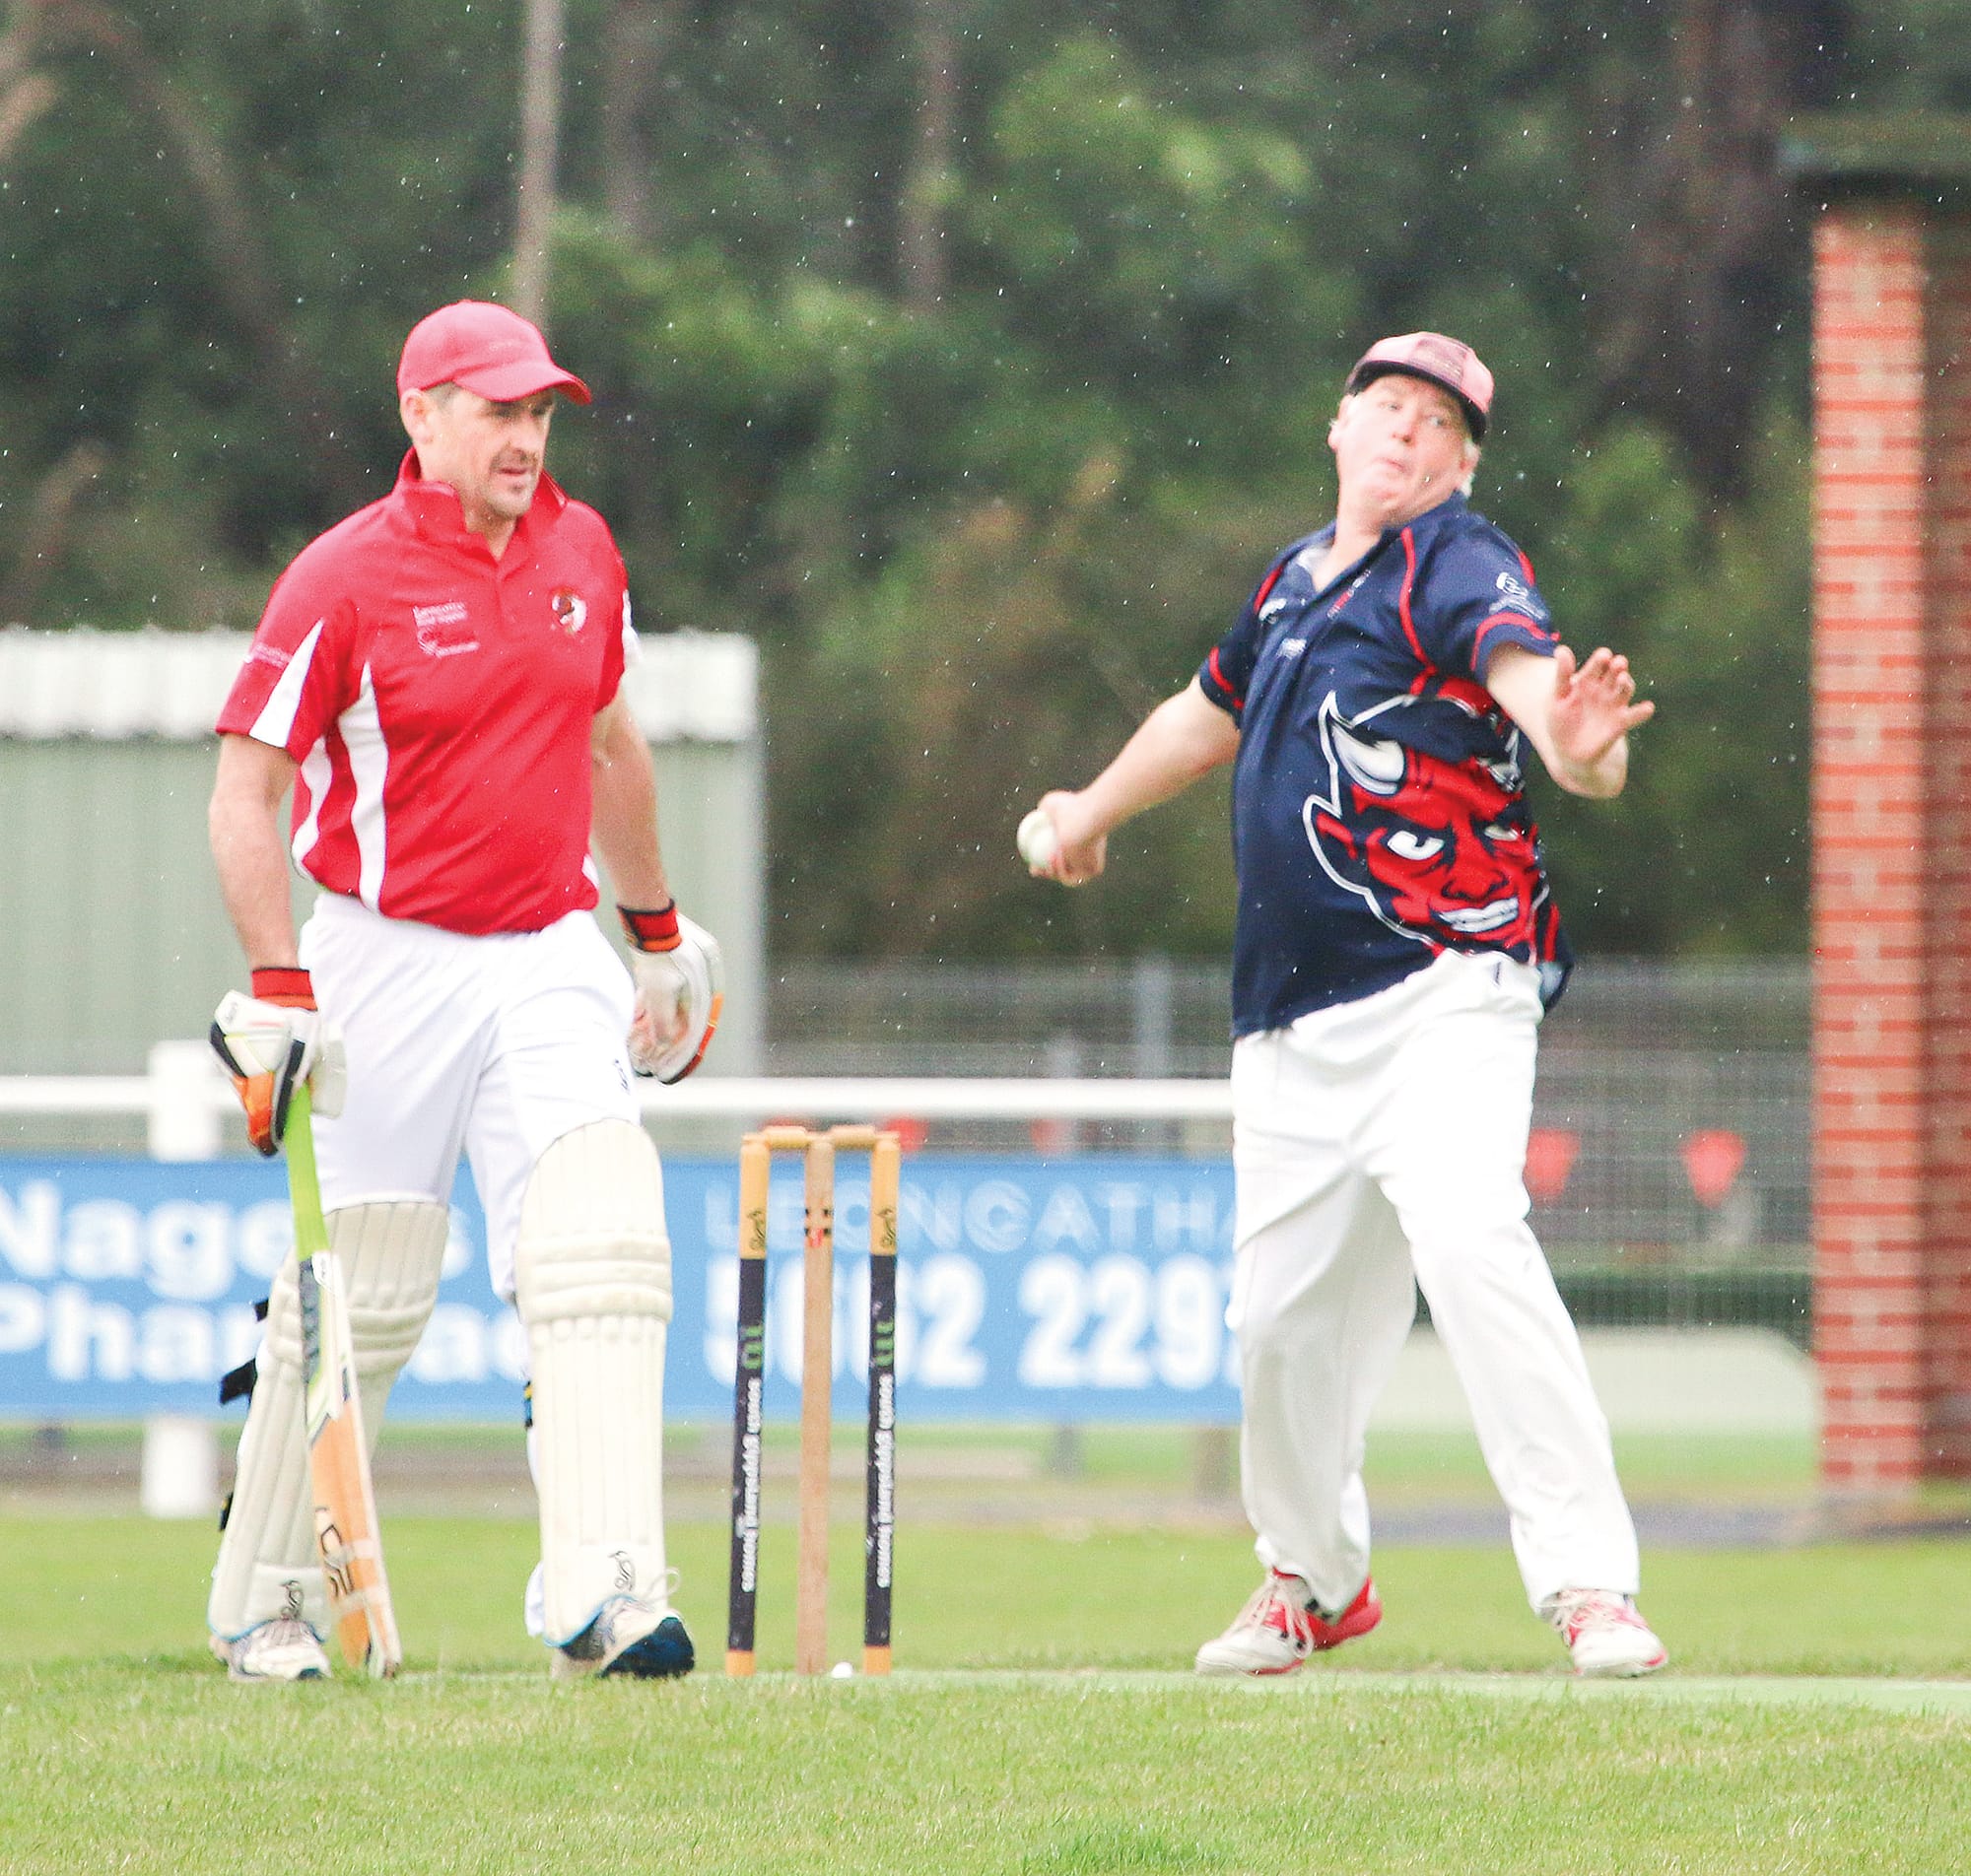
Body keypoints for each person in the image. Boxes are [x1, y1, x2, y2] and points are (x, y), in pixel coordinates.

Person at [1021, 333, 1666, 1678]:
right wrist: (1088, 810)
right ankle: (1312, 1578)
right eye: (1388, 408)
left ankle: (1590, 1587)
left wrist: (1580, 749)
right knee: (1275, 1325)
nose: (1409, 435)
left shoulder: (1462, 564)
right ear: (1339, 426)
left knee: (1474, 1246)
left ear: (1462, 464)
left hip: (1446, 988)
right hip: (1291, 1025)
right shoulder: (1290, 583)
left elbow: (1540, 697)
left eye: (1440, 425)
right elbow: (1206, 714)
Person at [203, 300, 722, 1683]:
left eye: (540, 409)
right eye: (496, 410)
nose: (525, 434)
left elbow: (609, 743)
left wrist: (657, 930)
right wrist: (276, 982)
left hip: (550, 947)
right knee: (357, 1296)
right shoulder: (343, 578)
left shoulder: (582, 549)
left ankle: (605, 1592)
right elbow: (245, 791)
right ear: (418, 413)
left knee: (607, 1243)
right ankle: (270, 1599)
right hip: (382, 952)